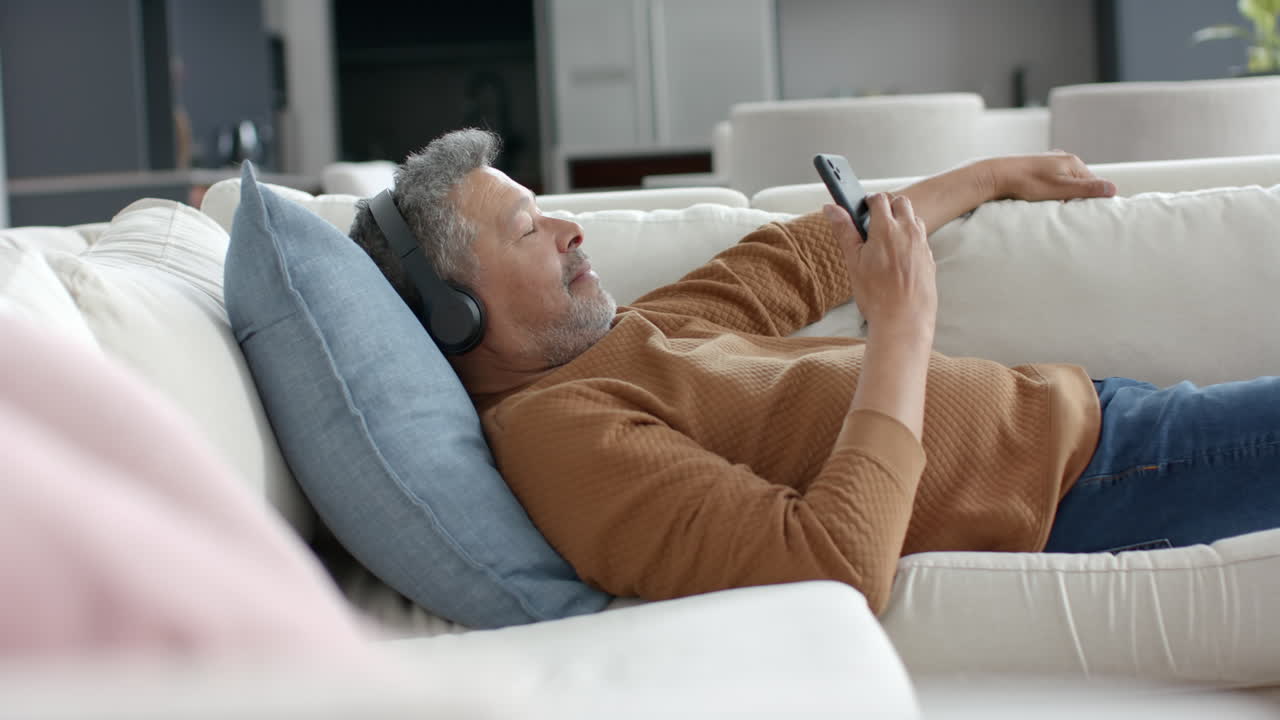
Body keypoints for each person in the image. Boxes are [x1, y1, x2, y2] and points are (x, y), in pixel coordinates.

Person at [350, 129, 1280, 614]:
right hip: (1086, 487)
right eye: (529, 230)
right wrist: (902, 331)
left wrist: (989, 177)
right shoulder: (565, 438)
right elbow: (829, 569)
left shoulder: (618, 341)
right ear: (452, 315)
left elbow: (799, 259)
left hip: (1091, 422)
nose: (571, 230)